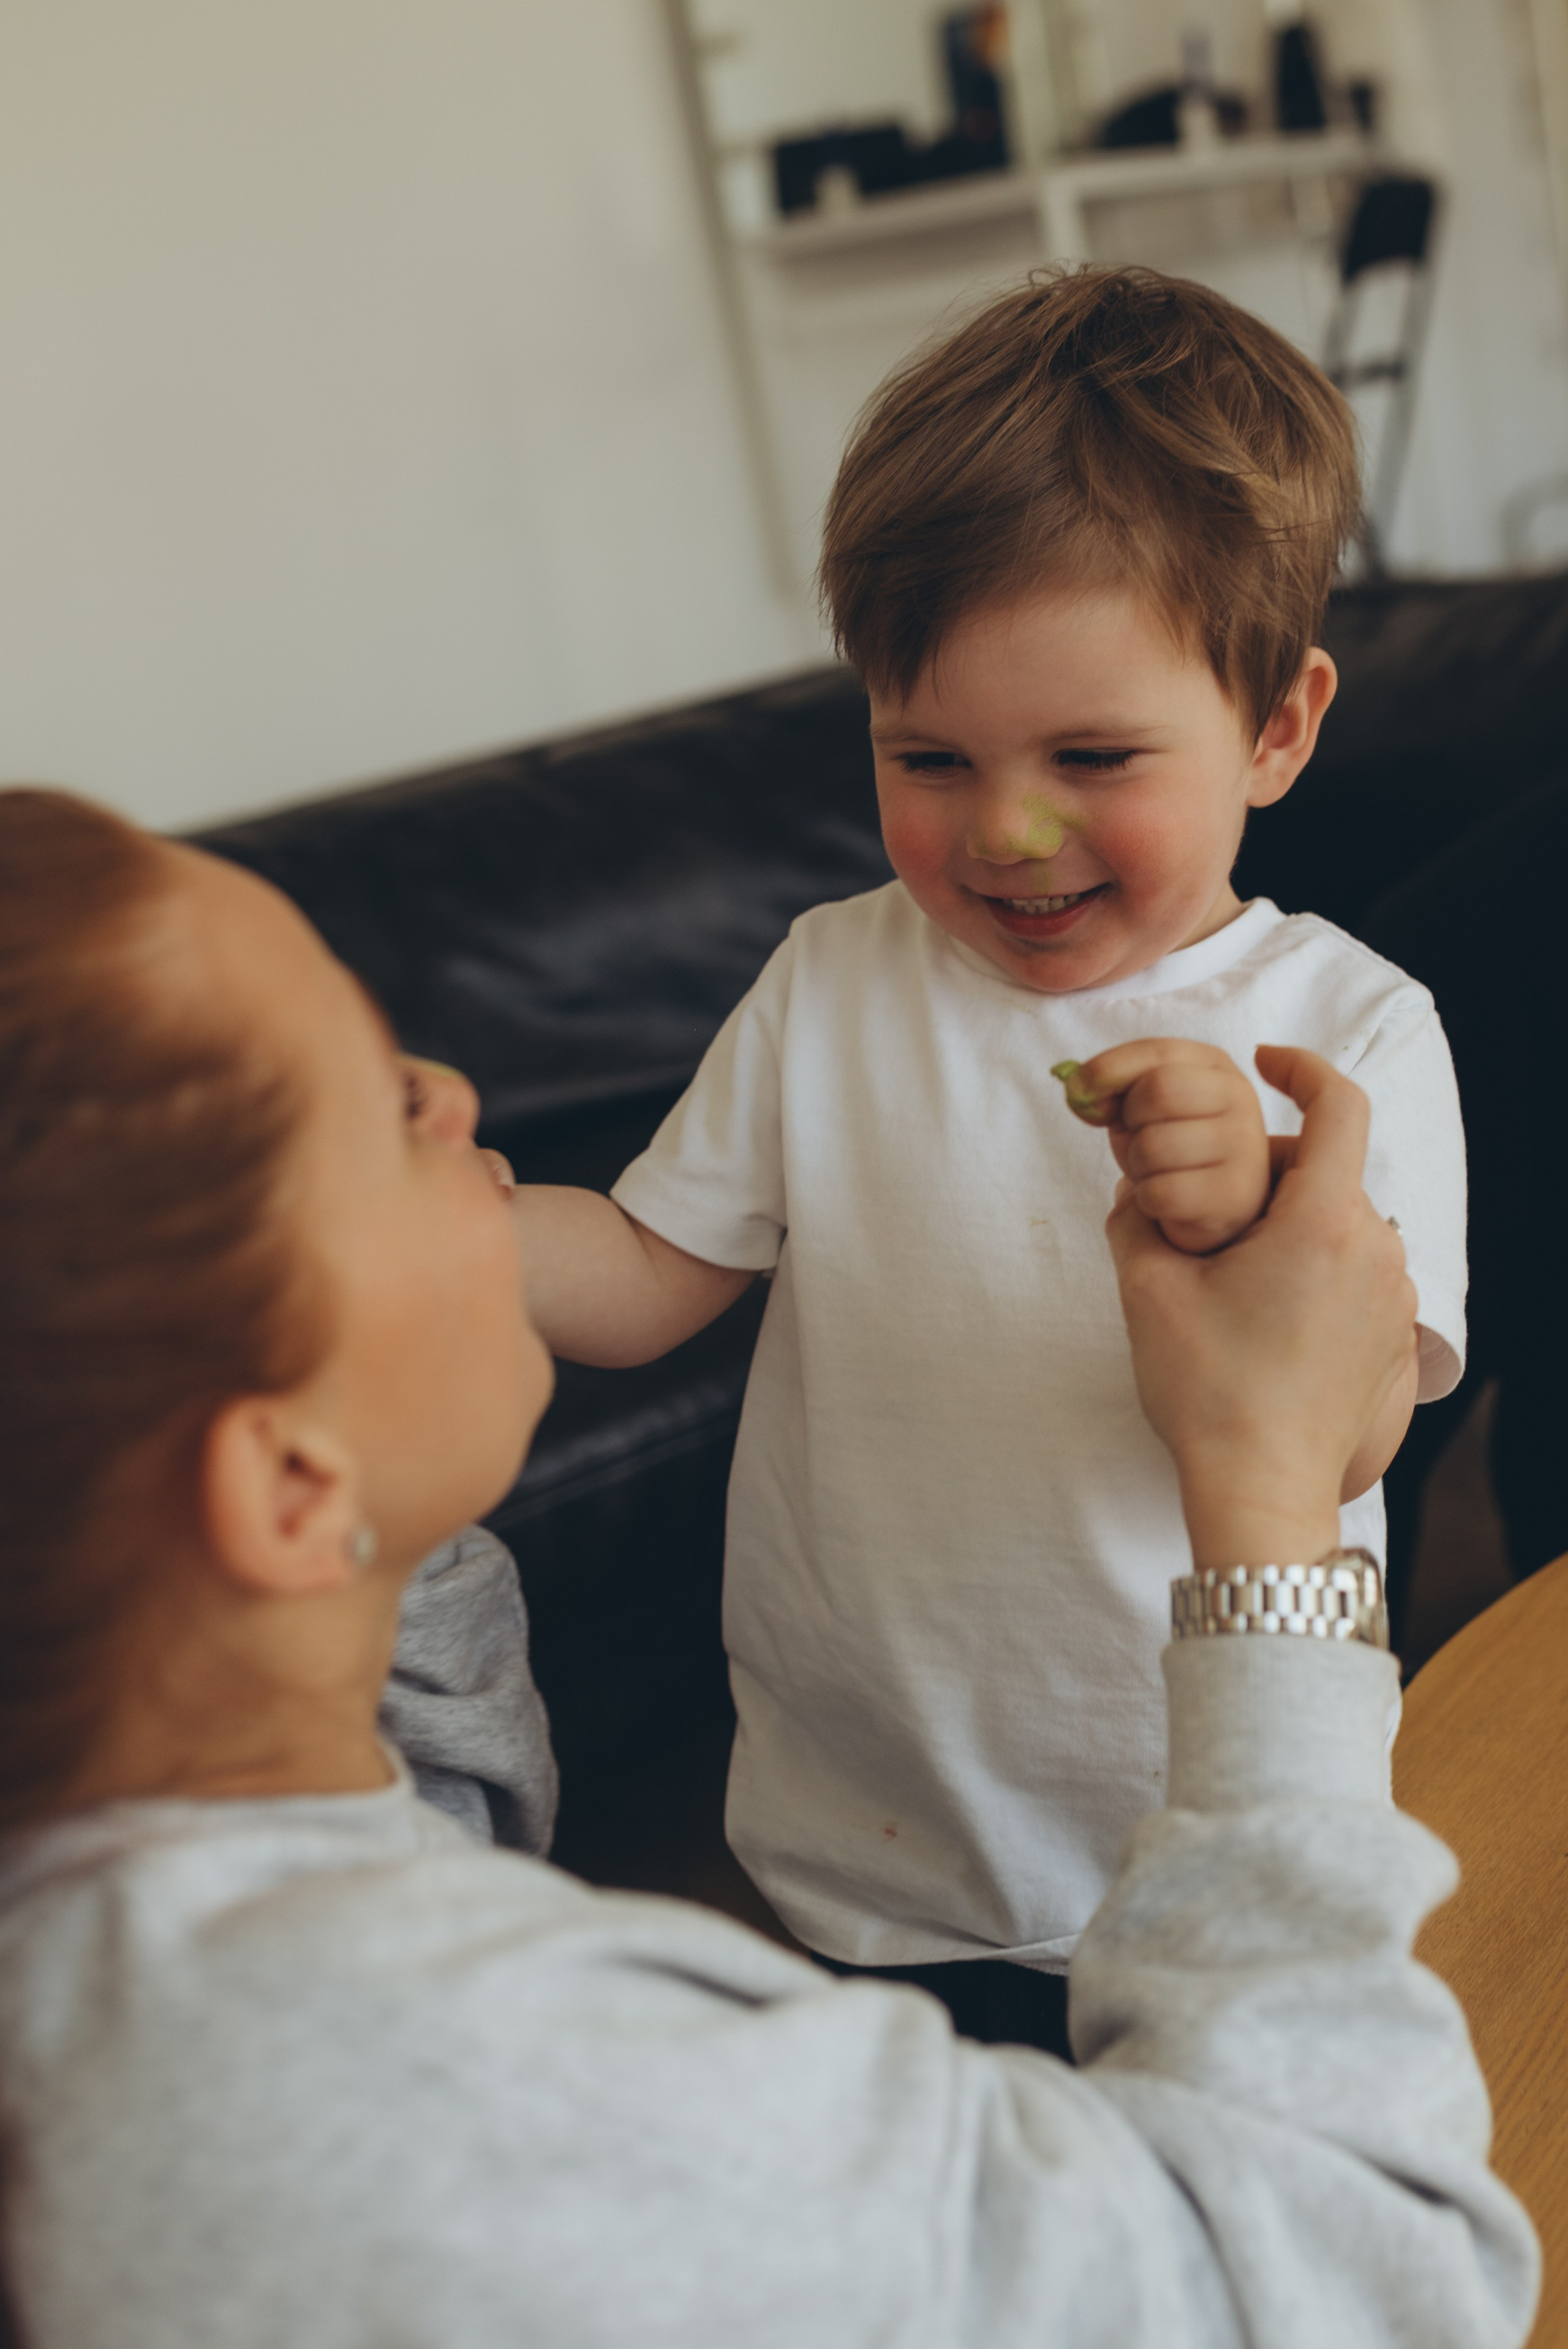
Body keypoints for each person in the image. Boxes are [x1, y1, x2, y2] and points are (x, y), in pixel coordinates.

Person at [0, 789, 1535, 2346]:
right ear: (282, 1479)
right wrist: (1264, 1491)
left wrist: (384, 1527)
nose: (456, 1093)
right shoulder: (451, 2093)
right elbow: (1357, 2279)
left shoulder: (146, 1862)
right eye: (377, 1107)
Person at [505, 268, 1469, 2051]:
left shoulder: (1352, 1031)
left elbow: (1352, 1428)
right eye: (927, 755)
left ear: (1279, 725)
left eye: (1094, 755)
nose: (1008, 831)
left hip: (1210, 1827)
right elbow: (644, 1282)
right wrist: (439, 1221)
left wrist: (1253, 1210)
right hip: (862, 1860)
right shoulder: (831, 978)